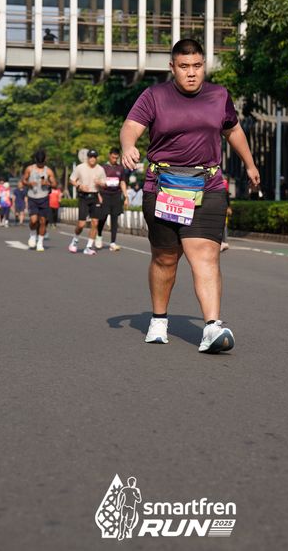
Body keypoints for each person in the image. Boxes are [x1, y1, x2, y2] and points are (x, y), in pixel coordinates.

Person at [120, 38, 260, 354]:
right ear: (172, 67)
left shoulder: (219, 96)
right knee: (166, 258)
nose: (192, 73)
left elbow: (233, 130)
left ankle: (211, 327)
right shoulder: (154, 96)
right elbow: (131, 126)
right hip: (164, 187)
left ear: (204, 66)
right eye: (184, 67)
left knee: (205, 255)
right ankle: (159, 319)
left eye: (197, 66)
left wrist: (250, 164)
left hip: (208, 186)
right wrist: (128, 146)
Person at [68, 149, 106, 256]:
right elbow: (71, 180)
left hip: (95, 196)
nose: (92, 159)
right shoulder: (80, 167)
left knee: (95, 223)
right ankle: (75, 240)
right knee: (81, 224)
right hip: (83, 197)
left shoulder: (100, 169)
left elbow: (104, 183)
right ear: (88, 158)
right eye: (91, 157)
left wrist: (100, 183)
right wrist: (79, 186)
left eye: (94, 157)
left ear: (96, 158)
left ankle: (89, 247)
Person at [22, 150, 57, 252]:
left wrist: (48, 183)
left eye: (42, 163)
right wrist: (28, 183)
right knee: (33, 220)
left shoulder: (48, 171)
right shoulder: (30, 169)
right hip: (32, 197)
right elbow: (23, 180)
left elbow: (55, 184)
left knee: (42, 221)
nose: (40, 164)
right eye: (38, 163)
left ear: (45, 160)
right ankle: (32, 234)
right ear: (35, 160)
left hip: (44, 198)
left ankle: (40, 242)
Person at [96, 147, 128, 251]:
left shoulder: (120, 168)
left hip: (116, 195)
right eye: (113, 157)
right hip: (105, 195)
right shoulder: (103, 168)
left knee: (115, 218)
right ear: (109, 155)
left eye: (116, 158)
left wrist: (126, 196)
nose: (115, 159)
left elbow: (122, 182)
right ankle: (99, 235)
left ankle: (113, 242)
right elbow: (97, 181)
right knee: (103, 217)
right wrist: (101, 186)